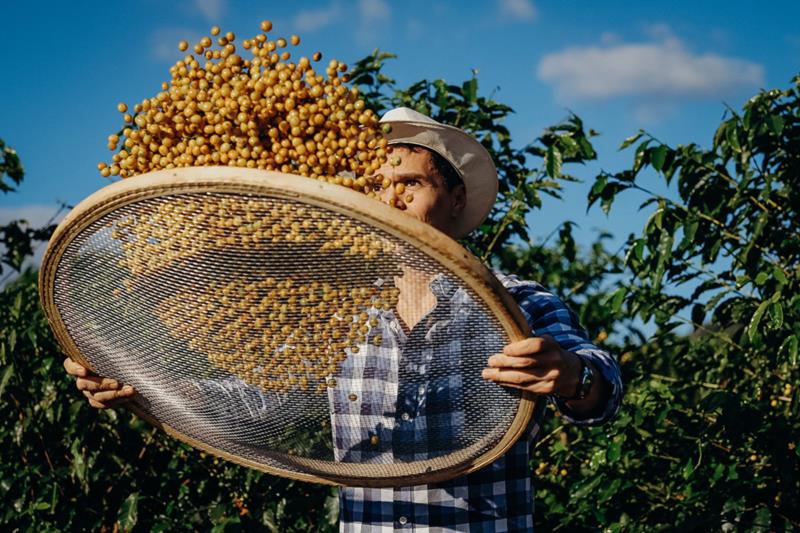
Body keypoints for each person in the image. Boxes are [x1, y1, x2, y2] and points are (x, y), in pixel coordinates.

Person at [64, 107, 623, 531]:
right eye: (378, 185)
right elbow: (263, 399)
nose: (390, 199)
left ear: (455, 199)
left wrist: (573, 377)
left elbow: (601, 386)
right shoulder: (334, 312)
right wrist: (144, 387)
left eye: (410, 183)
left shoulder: (515, 305)